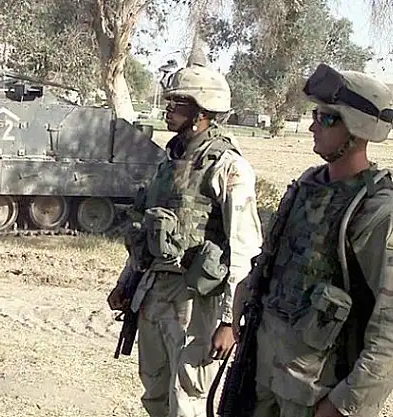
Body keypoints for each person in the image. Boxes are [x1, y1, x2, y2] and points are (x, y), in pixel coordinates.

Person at [107, 50, 263, 416]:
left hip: (197, 300)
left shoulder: (228, 167)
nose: (168, 108)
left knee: (187, 395)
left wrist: (230, 320)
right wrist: (126, 282)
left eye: (178, 102)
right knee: (154, 392)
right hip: (154, 289)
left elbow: (244, 248)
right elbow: (147, 228)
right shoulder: (169, 161)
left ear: (201, 112)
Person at [231, 64, 393, 417]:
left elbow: (388, 326)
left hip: (319, 392)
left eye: (326, 118)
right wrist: (247, 289)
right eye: (315, 115)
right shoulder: (306, 186)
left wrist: (347, 402)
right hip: (264, 372)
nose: (312, 126)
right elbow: (277, 259)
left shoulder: (376, 209)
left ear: (357, 130)